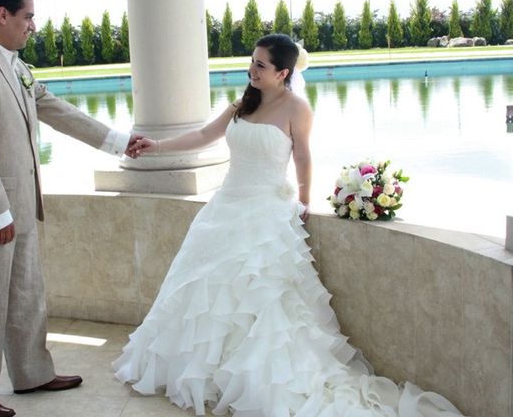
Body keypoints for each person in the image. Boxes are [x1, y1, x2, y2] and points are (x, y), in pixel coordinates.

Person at [112, 34, 464, 416]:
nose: (252, 69)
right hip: (225, 209)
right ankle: (209, 373)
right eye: (252, 61)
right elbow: (202, 136)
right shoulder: (240, 105)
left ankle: (253, 379)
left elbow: (303, 158)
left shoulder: (297, 109)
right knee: (205, 293)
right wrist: (156, 146)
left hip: (266, 211)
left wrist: (304, 199)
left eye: (261, 65)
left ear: (283, 73)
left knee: (262, 300)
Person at [0, 0, 140, 417]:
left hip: (22, 201)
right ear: (3, 15)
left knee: (27, 293)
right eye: (28, 16)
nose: (33, 25)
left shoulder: (13, 63)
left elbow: (54, 108)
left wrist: (117, 140)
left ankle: (32, 373)